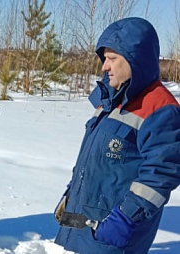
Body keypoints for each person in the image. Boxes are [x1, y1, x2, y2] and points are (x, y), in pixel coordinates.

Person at [54, 17, 180, 254]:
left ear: (136, 60)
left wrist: (126, 219)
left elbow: (161, 173)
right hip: (85, 227)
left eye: (112, 59)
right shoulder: (109, 100)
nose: (104, 66)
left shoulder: (160, 108)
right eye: (104, 59)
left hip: (115, 234)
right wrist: (71, 194)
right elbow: (93, 159)